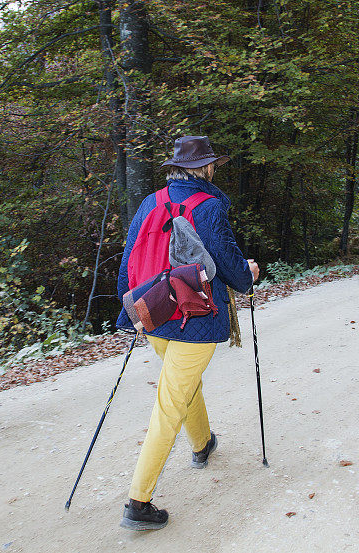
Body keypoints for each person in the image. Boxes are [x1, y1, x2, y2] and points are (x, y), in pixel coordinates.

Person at [115, 135, 260, 530]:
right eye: (214, 164)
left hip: (156, 312)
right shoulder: (208, 206)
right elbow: (232, 270)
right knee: (169, 405)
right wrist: (249, 273)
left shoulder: (150, 201)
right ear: (207, 167)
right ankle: (138, 503)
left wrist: (134, 311)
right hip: (195, 316)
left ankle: (201, 443)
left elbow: (128, 260)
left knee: (183, 385)